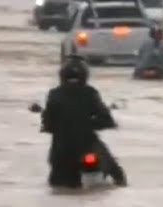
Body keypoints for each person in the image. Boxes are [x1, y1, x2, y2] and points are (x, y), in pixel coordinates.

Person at [40, 56, 127, 188]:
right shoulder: (90, 93)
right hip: (87, 144)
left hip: (61, 149)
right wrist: (91, 124)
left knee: (55, 183)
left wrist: (50, 126)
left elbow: (48, 122)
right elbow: (105, 119)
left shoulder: (54, 94)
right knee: (117, 175)